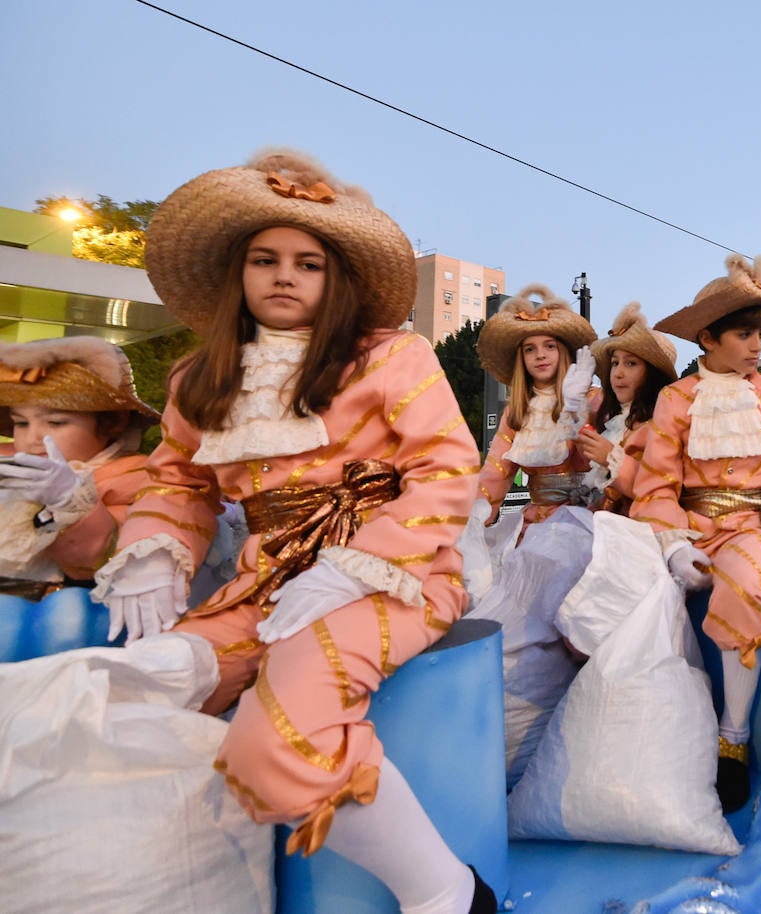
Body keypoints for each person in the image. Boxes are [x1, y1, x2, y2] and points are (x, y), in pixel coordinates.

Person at [90, 150, 496, 914]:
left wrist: (355, 564)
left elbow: (447, 470)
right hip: (262, 583)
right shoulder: (197, 378)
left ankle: (446, 893)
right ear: (236, 273)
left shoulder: (395, 357)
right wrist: (152, 551)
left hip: (397, 574)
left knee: (274, 742)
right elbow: (177, 481)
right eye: (264, 259)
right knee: (140, 688)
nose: (284, 275)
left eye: (307, 263)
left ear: (333, 279)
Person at [631, 253, 761, 813]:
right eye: (743, 334)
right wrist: (673, 545)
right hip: (687, 529)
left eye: (760, 334)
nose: (756, 345)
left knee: (742, 586)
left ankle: (735, 737)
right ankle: (654, 730)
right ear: (708, 337)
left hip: (751, 528)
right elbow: (655, 484)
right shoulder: (674, 400)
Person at [0, 337, 159, 597]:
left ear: (110, 424)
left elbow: (98, 560)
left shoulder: (135, 480)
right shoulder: (6, 467)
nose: (34, 437)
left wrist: (68, 502)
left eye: (56, 422)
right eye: (22, 423)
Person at [476, 286, 599, 527]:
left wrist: (576, 411)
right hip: (537, 524)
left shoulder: (594, 398)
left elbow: (604, 460)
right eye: (529, 349)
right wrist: (474, 520)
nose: (540, 355)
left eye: (549, 346)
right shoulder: (516, 410)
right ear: (521, 359)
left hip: (589, 520)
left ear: (563, 351)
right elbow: (495, 473)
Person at [576, 302, 678, 513]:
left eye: (631, 363)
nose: (618, 373)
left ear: (651, 373)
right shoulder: (611, 422)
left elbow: (659, 491)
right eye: (615, 363)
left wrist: (611, 459)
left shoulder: (664, 426)